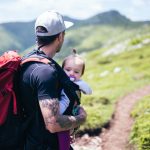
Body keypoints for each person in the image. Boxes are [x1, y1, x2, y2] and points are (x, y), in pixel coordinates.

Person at [19, 10, 87, 150]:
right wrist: (81, 117)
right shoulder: (46, 72)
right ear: (60, 36)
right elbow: (53, 124)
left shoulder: (26, 62)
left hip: (28, 142)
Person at [58, 49, 92, 150]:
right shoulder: (59, 81)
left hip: (71, 114)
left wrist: (79, 82)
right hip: (61, 115)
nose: (71, 73)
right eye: (67, 70)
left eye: (76, 72)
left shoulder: (78, 84)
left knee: (68, 137)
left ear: (81, 74)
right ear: (62, 69)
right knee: (63, 140)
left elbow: (88, 91)